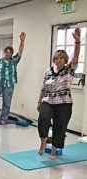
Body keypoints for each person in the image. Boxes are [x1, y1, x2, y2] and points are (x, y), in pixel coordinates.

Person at [37, 28, 81, 160]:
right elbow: (43, 88)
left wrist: (77, 42)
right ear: (54, 60)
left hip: (64, 103)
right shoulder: (48, 71)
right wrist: (39, 101)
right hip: (48, 101)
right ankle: (43, 144)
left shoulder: (69, 69)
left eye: (61, 58)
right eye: (56, 58)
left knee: (59, 126)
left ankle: (54, 150)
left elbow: (76, 58)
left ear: (65, 59)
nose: (59, 60)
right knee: (43, 119)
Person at [0, 32, 26, 124]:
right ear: (4, 53)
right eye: (6, 52)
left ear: (12, 54)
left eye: (10, 53)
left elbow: (20, 52)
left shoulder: (14, 61)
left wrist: (22, 41)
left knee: (7, 103)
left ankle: (3, 118)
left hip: (9, 85)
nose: (8, 54)